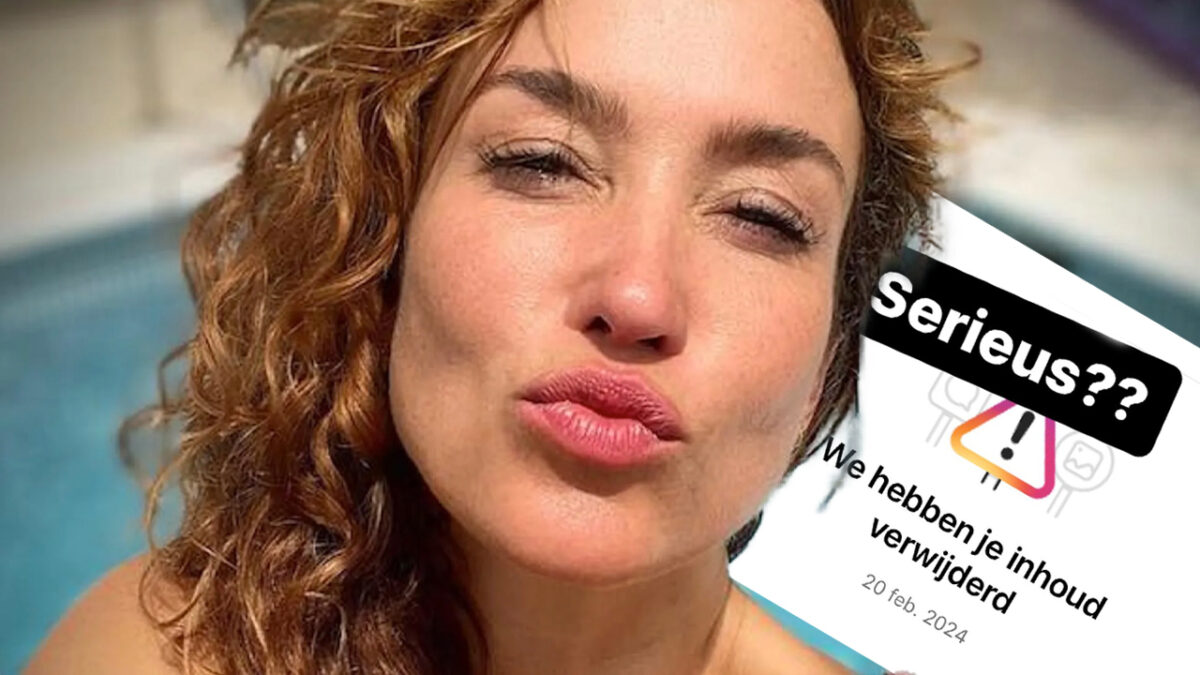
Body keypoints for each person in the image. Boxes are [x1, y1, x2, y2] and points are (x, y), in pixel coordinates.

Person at [26, 0, 971, 673]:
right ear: (382, 243)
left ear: (830, 358)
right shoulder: (150, 654)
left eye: (761, 216)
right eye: (542, 162)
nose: (637, 296)